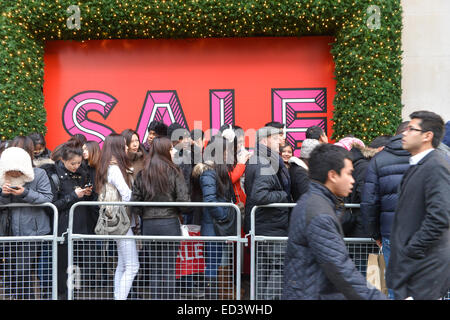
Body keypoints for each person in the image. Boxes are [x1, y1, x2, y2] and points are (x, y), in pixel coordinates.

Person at [282, 144, 386, 300]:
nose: (352, 180)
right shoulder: (319, 213)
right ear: (333, 175)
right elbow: (341, 269)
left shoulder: (314, 202)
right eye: (349, 174)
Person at [386, 111, 450, 300]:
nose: (404, 133)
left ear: (427, 136)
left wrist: (411, 250)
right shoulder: (419, 165)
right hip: (414, 267)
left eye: (411, 129)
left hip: (424, 269)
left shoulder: (436, 167)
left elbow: (439, 217)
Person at [131, 136, 189, 299]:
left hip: (149, 225)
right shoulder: (175, 171)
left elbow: (135, 203)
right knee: (169, 269)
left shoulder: (143, 173)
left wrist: (146, 214)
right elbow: (184, 202)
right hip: (170, 223)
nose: (173, 151)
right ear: (164, 151)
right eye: (171, 148)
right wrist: (176, 210)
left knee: (155, 269)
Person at [360, 122, 410, 299]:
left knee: (392, 288)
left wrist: (376, 235)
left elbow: (369, 202)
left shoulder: (379, 159)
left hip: (390, 234)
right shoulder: (431, 157)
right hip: (424, 233)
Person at [40, 142, 94, 299]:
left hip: (80, 229)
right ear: (62, 160)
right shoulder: (53, 176)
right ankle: (62, 295)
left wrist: (88, 194)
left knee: (76, 268)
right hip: (63, 230)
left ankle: (73, 295)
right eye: (73, 163)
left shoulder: (82, 173)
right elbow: (51, 206)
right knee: (62, 268)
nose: (76, 166)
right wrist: (73, 196)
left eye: (79, 163)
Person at [244, 126, 291, 300]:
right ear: (264, 140)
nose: (281, 140)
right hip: (271, 225)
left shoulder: (260, 159)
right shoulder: (265, 161)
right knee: (277, 267)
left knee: (263, 270)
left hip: (265, 224)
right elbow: (259, 194)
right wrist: (284, 195)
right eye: (276, 137)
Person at [0, 147, 53, 299]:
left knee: (23, 271)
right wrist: (4, 194)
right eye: (10, 170)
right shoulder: (2, 177)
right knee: (10, 271)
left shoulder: (39, 174)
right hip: (7, 230)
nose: (14, 173)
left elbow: (47, 198)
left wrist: (25, 193)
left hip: (31, 231)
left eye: (17, 169)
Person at [96, 133, 139, 300]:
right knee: (133, 266)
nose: (127, 147)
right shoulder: (114, 168)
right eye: (124, 145)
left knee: (122, 265)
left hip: (116, 221)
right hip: (121, 221)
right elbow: (127, 195)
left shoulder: (107, 166)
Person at [191, 136, 235, 299]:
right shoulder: (208, 173)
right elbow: (209, 200)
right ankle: (211, 297)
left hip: (215, 226)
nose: (228, 154)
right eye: (226, 151)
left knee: (214, 263)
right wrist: (223, 215)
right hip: (213, 226)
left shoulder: (214, 171)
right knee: (212, 264)